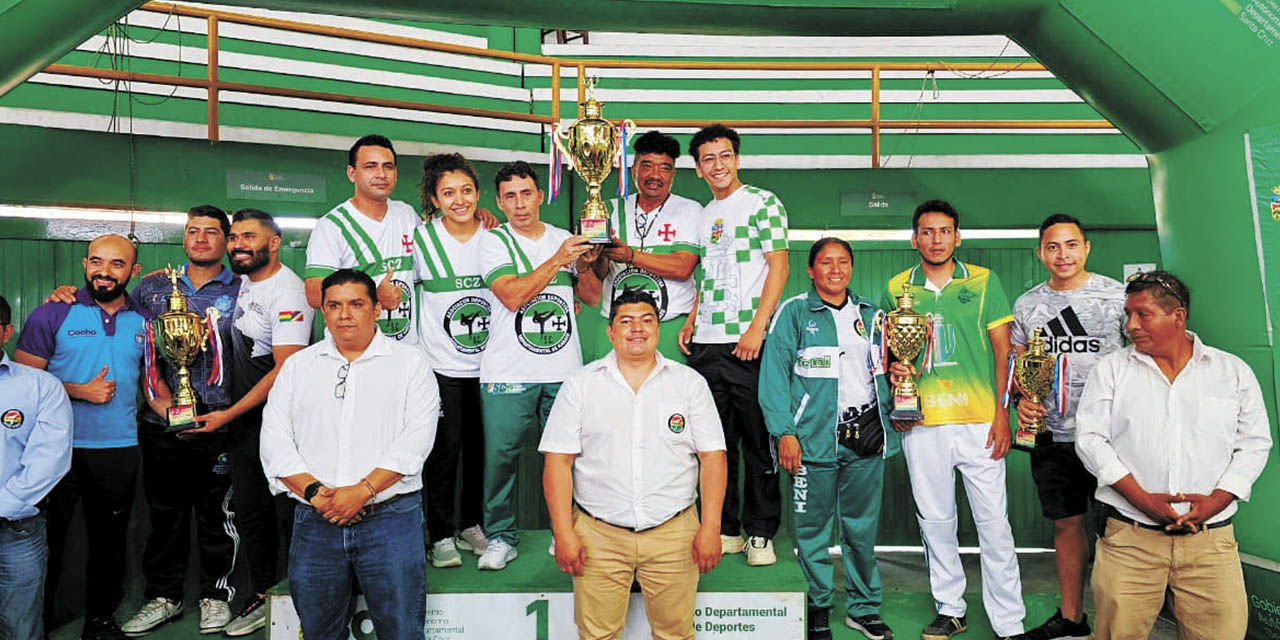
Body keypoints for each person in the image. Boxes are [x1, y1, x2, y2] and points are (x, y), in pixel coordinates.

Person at [1075, 270, 1271, 640]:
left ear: (1177, 316)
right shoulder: (1112, 371)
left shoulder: (1231, 373)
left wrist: (1216, 501)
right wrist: (1142, 499)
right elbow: (1090, 440)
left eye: (1142, 314)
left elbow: (1255, 443)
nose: (1131, 325)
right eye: (1127, 314)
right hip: (1129, 540)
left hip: (1210, 543)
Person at [260, 268, 439, 640]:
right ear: (323, 311)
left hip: (391, 518)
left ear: (376, 309)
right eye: (334, 305)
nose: (345, 314)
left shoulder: (411, 364)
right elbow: (275, 440)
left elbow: (416, 440)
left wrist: (362, 491)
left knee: (402, 632)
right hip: (315, 520)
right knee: (320, 633)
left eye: (356, 304)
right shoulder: (298, 366)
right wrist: (315, 494)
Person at [540, 289, 727, 639]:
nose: (636, 329)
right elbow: (557, 463)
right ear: (611, 332)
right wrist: (563, 532)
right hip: (598, 534)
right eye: (625, 321)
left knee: (676, 634)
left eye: (647, 320)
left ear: (658, 329)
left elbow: (713, 457)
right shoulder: (580, 385)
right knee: (597, 635)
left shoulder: (689, 384)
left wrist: (711, 527)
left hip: (674, 533)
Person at [14, 234, 170, 640]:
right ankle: (38, 624)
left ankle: (100, 621)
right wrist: (80, 391)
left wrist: (181, 415)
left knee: (110, 544)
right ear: (85, 264)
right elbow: (20, 386)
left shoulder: (144, 322)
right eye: (97, 262)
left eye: (117, 264)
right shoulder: (52, 314)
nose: (105, 271)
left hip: (117, 450)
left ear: (133, 272)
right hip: (53, 453)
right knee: (47, 543)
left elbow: (153, 386)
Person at [883, 200, 1025, 640]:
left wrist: (1003, 414)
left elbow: (1004, 352)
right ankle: (950, 607)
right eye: (927, 232)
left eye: (945, 231)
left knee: (994, 524)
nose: (936, 239)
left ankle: (1009, 620)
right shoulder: (897, 287)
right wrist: (897, 382)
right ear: (915, 239)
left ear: (957, 237)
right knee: (936, 521)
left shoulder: (984, 281)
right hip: (922, 422)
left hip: (980, 419)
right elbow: (895, 356)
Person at [182, 208, 314, 636]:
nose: (239, 244)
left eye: (249, 237)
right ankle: (263, 595)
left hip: (276, 423)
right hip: (241, 424)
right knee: (252, 512)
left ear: (274, 243)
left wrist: (228, 415)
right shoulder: (238, 285)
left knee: (286, 513)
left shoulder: (288, 291)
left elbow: (285, 368)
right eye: (234, 237)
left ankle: (299, 599)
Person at [760, 238, 899, 640]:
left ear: (851, 268)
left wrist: (900, 404)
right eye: (826, 262)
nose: (835, 269)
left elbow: (893, 370)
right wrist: (785, 432)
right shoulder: (793, 313)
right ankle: (819, 605)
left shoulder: (873, 316)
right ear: (811, 270)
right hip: (811, 440)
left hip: (866, 437)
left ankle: (864, 608)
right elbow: (774, 379)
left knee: (860, 529)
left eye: (842, 262)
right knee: (813, 530)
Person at [121, 205, 241, 635]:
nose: (202, 238)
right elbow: (130, 335)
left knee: (218, 517)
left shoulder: (242, 288)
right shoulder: (151, 288)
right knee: (164, 517)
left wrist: (228, 415)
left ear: (226, 240)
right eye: (194, 231)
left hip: (223, 420)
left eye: (212, 232)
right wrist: (69, 293)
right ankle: (164, 597)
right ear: (184, 238)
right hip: (161, 420)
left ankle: (216, 596)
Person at [1010, 214, 1124, 640]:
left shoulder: (1117, 296)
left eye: (1071, 245)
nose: (1063, 255)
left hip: (1110, 434)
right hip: (1052, 434)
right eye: (1053, 247)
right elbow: (1019, 367)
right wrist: (1023, 399)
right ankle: (1073, 618)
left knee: (1118, 527)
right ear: (1041, 252)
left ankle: (1120, 620)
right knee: (1066, 523)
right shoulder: (1027, 305)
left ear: (1086, 248)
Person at [476, 160, 595, 570]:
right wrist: (559, 259)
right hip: (508, 372)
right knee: (501, 460)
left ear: (540, 195)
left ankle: (566, 531)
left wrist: (589, 262)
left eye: (526, 193)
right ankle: (500, 537)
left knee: (567, 458)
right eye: (510, 196)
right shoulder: (493, 242)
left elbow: (593, 297)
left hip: (563, 372)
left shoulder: (564, 239)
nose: (520, 203)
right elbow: (511, 296)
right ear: (499, 202)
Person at [678, 123, 788, 566]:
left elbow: (777, 268)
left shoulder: (763, 203)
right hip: (707, 344)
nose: (718, 165)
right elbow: (706, 275)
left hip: (748, 342)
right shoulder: (704, 215)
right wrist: (691, 318)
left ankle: (760, 531)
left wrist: (757, 327)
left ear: (736, 159)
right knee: (715, 442)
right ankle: (724, 528)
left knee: (757, 439)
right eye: (708, 159)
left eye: (725, 156)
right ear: (699, 168)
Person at [412, 153, 491, 567]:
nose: (459, 200)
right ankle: (440, 533)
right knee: (444, 452)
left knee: (482, 449)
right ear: (435, 198)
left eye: (466, 191)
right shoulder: (420, 239)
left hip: (492, 366)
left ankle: (471, 524)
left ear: (478, 193)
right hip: (441, 367)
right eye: (448, 193)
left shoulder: (497, 235)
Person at [578, 130, 701, 362]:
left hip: (670, 329)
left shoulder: (689, 210)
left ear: (673, 174)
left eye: (664, 168)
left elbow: (682, 267)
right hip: (617, 328)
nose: (655, 175)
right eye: (646, 166)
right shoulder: (606, 209)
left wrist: (630, 255)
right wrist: (593, 258)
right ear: (633, 170)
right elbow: (594, 286)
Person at [0, 294, 73, 640]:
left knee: (21, 628)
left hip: (17, 531)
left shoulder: (41, 387)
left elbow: (49, 459)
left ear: (6, 332)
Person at [304, 134, 420, 344]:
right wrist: (375, 297)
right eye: (370, 166)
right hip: (354, 350)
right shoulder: (332, 226)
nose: (381, 174)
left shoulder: (407, 215)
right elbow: (314, 294)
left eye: (388, 166)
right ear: (352, 173)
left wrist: (476, 217)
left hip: (405, 350)